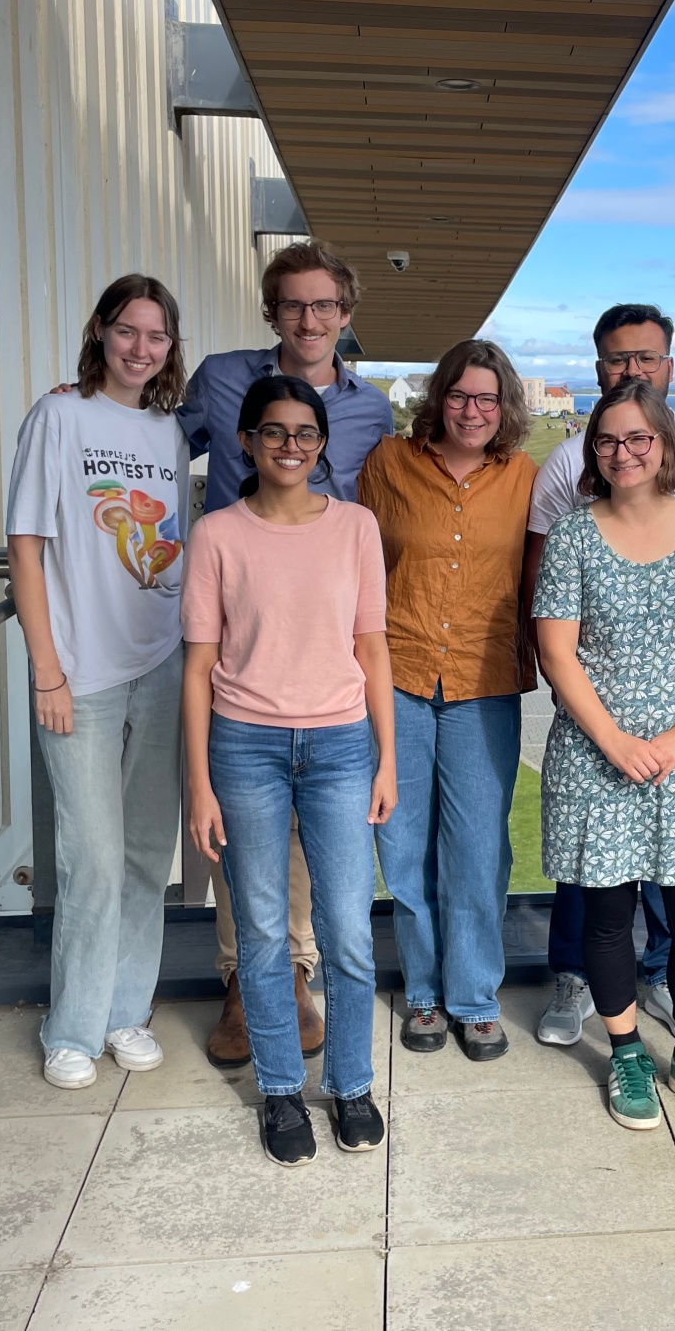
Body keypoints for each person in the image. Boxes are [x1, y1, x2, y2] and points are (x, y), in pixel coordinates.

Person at [177, 240, 393, 1067]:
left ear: (346, 314)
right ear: (273, 311)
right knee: (248, 846)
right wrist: (85, 401)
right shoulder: (221, 379)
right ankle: (247, 981)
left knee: (322, 867)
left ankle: (299, 979)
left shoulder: (372, 412)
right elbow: (154, 441)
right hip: (244, 644)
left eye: (325, 304)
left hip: (327, 661)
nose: (310, 319)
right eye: (294, 304)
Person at [522, 304, 675, 1047]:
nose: (623, 453)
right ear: (593, 451)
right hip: (597, 754)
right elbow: (557, 651)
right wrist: (615, 741)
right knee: (606, 920)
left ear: (665, 445)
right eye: (608, 441)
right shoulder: (572, 535)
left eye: (638, 439)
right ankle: (623, 1050)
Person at [8, 275, 191, 1090]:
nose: (140, 349)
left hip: (162, 662)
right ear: (100, 331)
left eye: (156, 336)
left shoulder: (167, 430)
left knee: (147, 853)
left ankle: (125, 1012)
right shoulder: (57, 417)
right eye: (127, 331)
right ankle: (72, 1027)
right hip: (78, 673)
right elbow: (25, 545)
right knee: (91, 857)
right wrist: (46, 669)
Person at [359, 340, 536, 1060]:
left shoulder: (524, 476)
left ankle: (475, 997)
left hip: (483, 680)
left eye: (487, 398)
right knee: (404, 843)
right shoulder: (388, 464)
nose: (472, 410)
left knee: (479, 848)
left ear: (505, 406)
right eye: (460, 395)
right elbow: (359, 563)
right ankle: (425, 993)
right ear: (440, 398)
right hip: (398, 673)